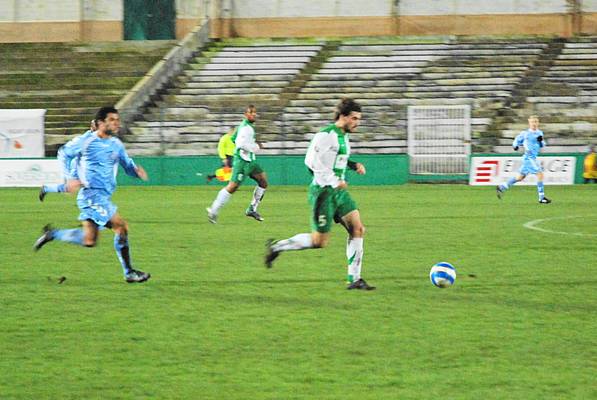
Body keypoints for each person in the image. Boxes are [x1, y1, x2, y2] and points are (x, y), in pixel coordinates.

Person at [265, 98, 375, 290]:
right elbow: (312, 162)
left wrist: (353, 165)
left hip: (339, 193)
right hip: (323, 193)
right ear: (343, 116)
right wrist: (333, 181)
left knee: (358, 229)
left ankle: (354, 279)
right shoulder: (326, 136)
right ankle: (277, 247)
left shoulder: (343, 136)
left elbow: (337, 158)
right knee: (319, 242)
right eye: (355, 119)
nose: (357, 123)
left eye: (359, 119)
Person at [33, 106, 151, 283]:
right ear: (101, 123)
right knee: (121, 226)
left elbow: (127, 165)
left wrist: (136, 172)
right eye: (112, 120)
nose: (116, 123)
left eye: (117, 119)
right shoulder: (87, 141)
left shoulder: (116, 145)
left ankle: (53, 234)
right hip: (91, 196)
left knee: (90, 240)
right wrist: (69, 178)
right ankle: (129, 272)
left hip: (104, 196)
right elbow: (63, 153)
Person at [206, 105, 268, 223]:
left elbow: (233, 139)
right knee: (232, 187)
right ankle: (213, 211)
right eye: (251, 112)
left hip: (251, 161)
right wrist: (256, 147)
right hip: (242, 162)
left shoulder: (245, 126)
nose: (254, 114)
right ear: (245, 114)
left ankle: (252, 209)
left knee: (263, 182)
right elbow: (240, 144)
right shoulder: (246, 128)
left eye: (255, 112)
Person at [496, 115, 551, 204]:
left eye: (536, 121)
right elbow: (516, 141)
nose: (534, 124)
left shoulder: (539, 133)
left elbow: (542, 145)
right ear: (529, 122)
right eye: (532, 122)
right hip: (529, 158)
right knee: (540, 174)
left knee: (520, 177)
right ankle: (541, 197)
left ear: (538, 123)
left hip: (533, 157)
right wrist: (515, 146)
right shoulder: (525, 134)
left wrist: (540, 141)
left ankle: (502, 187)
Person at [38, 119, 97, 201]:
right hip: (65, 158)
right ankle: (46, 189)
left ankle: (47, 188)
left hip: (76, 160)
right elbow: (66, 153)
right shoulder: (87, 140)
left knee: (82, 184)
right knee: (71, 186)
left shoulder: (93, 138)